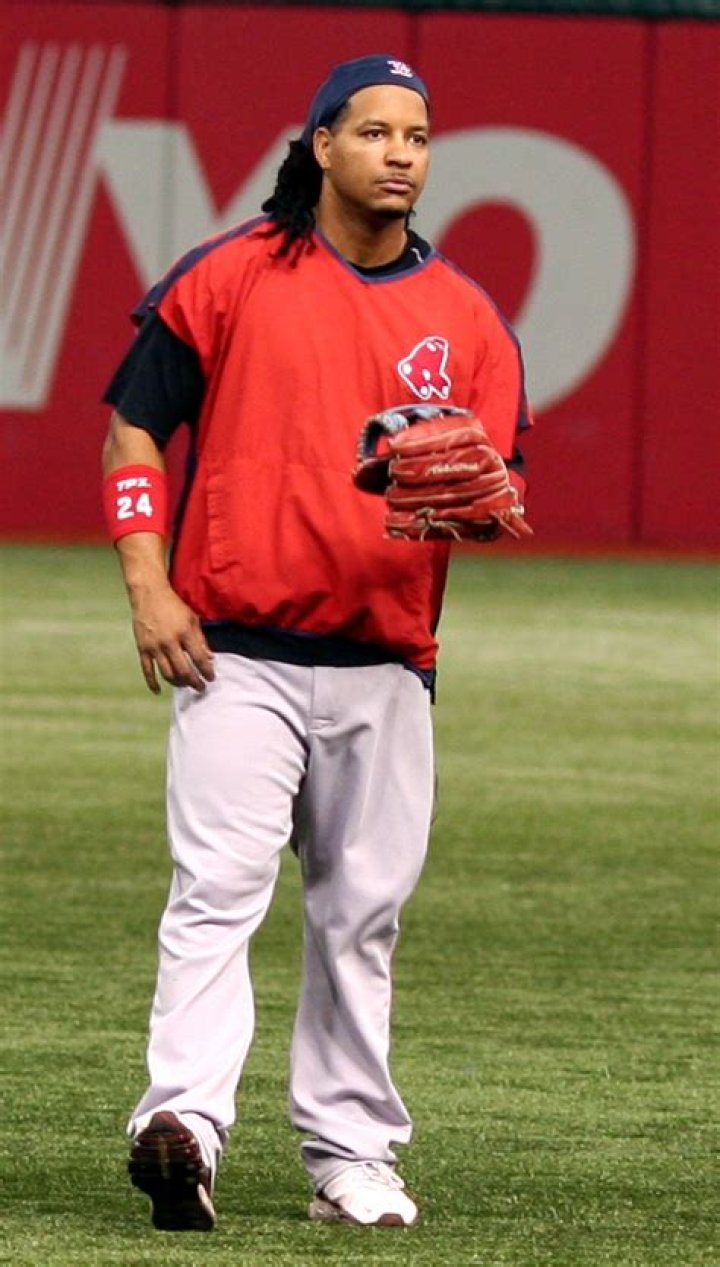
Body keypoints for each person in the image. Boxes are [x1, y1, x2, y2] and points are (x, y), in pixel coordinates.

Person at [101, 52, 532, 1232]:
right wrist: (148, 584)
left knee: (361, 918)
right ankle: (181, 1126)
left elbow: (497, 488)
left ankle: (351, 1158)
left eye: (419, 136)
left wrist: (475, 500)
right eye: (376, 130)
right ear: (322, 146)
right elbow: (132, 431)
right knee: (216, 893)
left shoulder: (468, 320)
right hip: (232, 650)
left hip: (387, 660)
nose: (402, 153)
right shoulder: (232, 275)